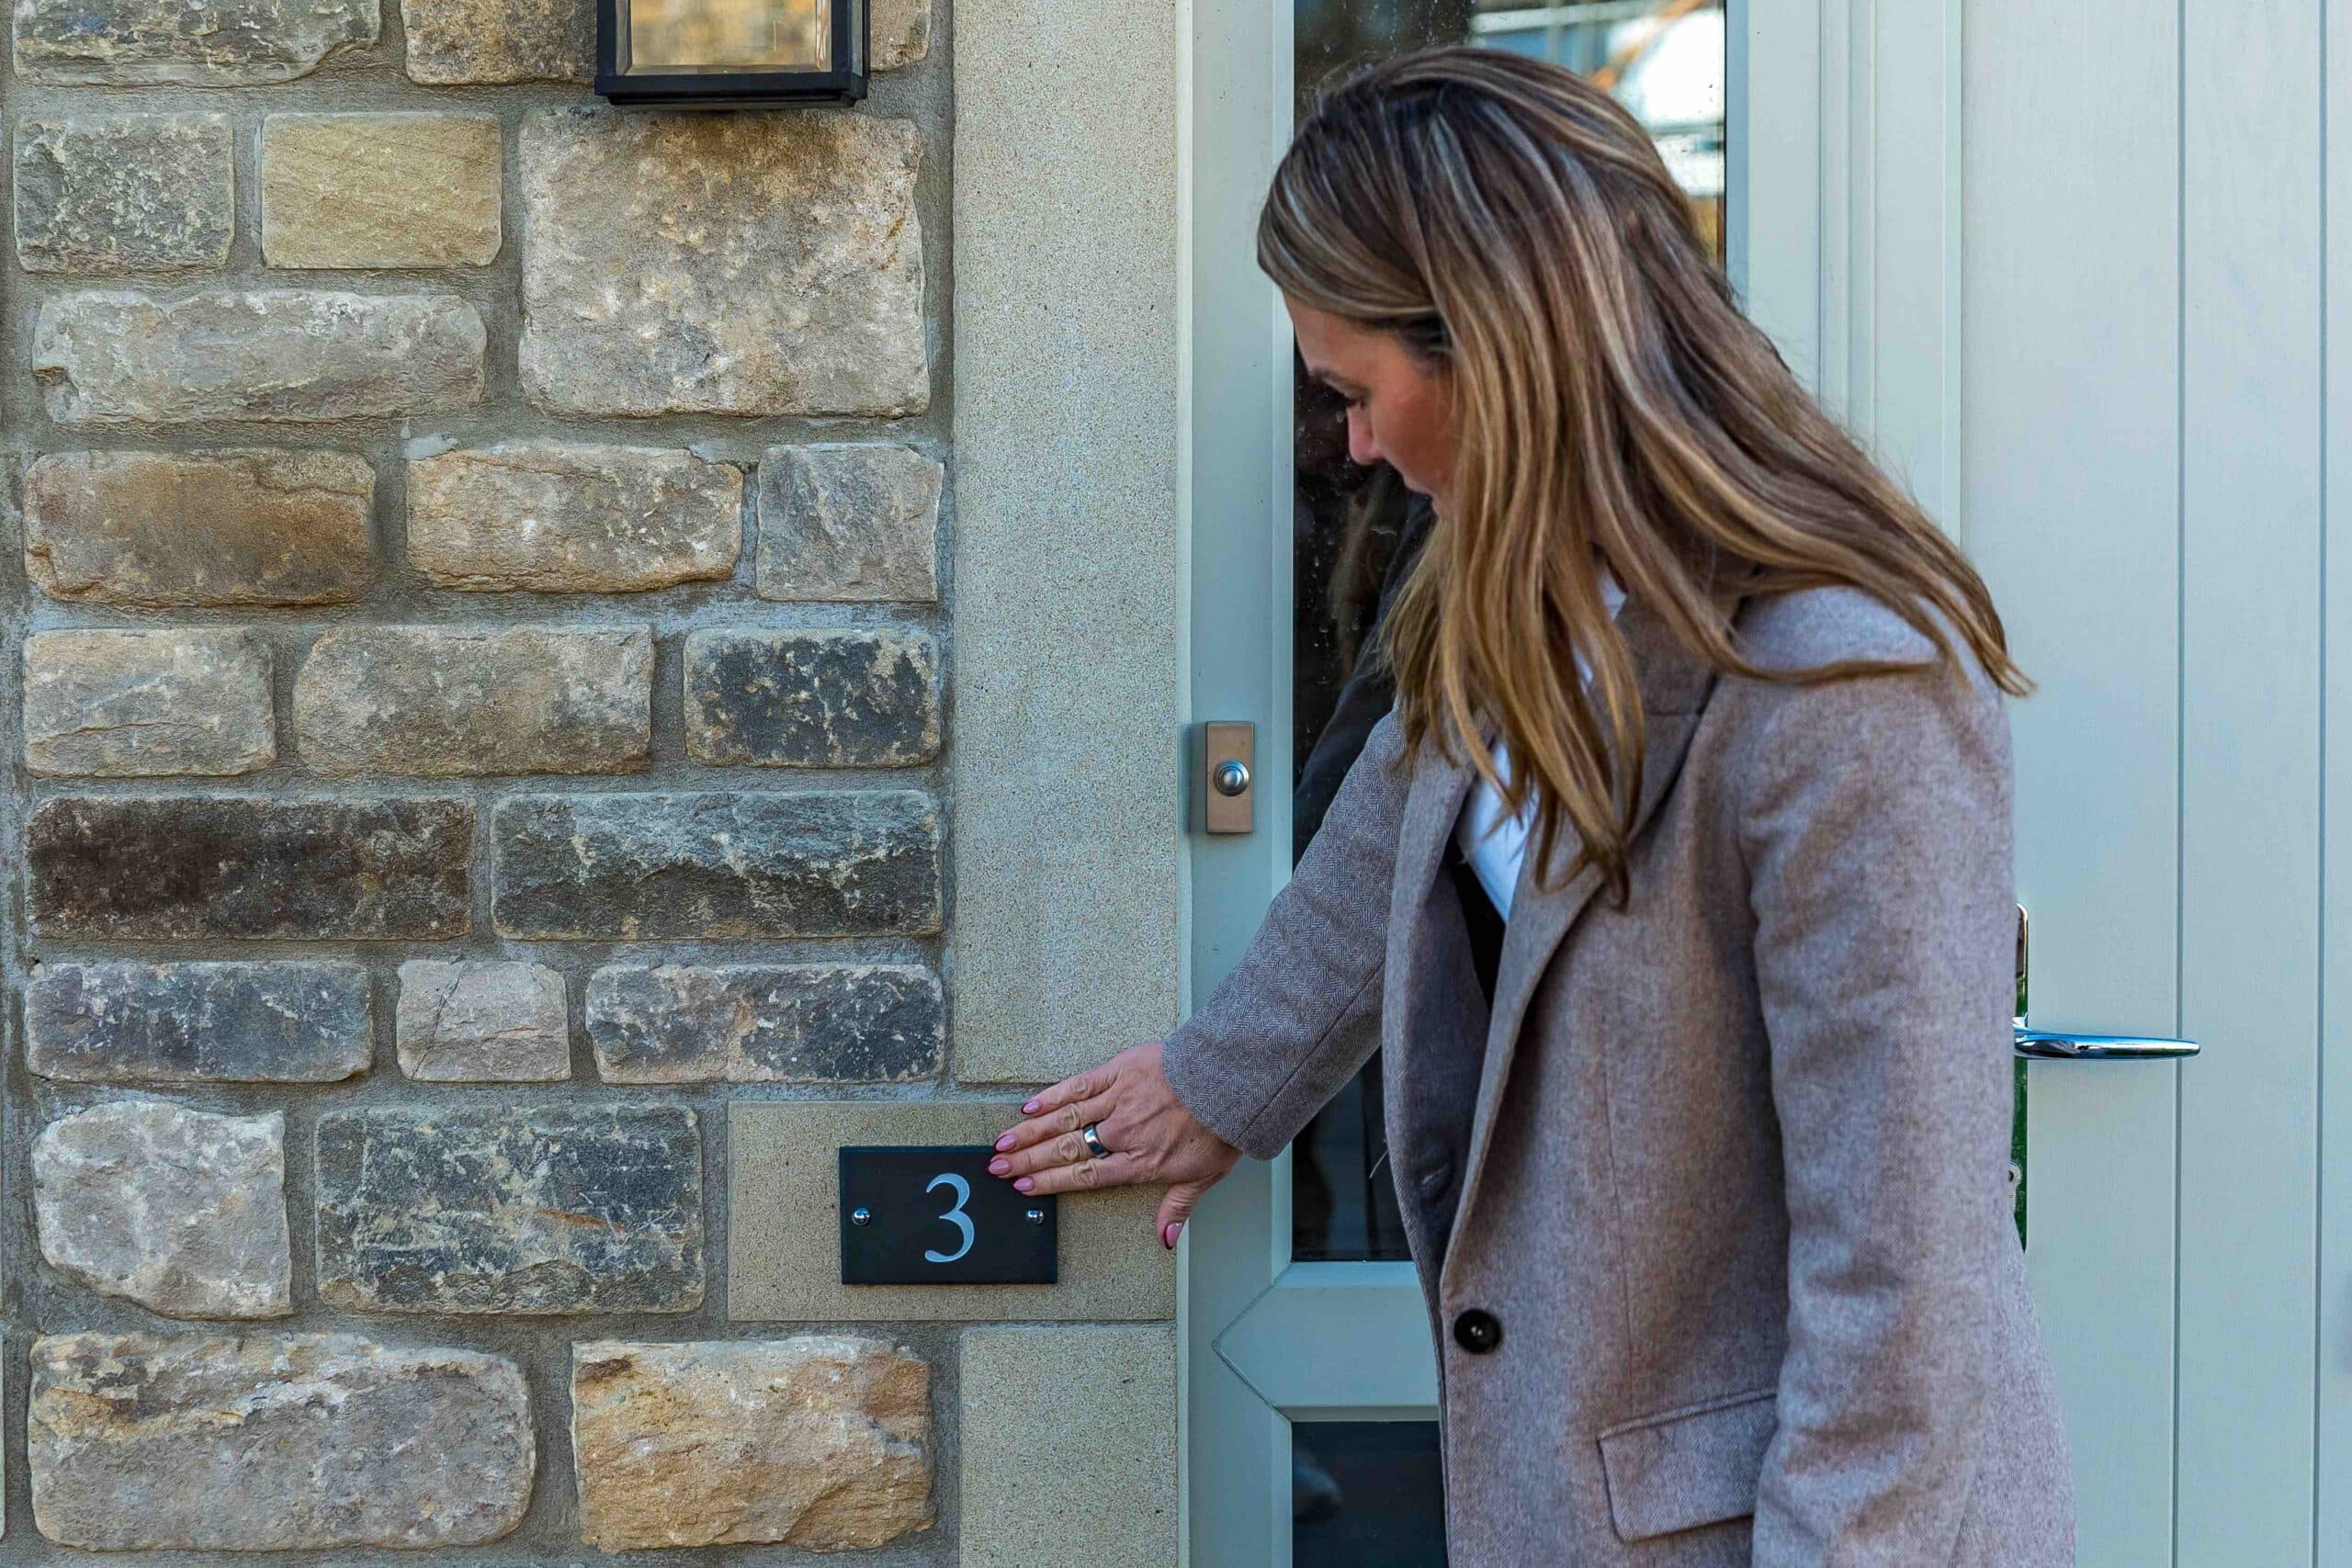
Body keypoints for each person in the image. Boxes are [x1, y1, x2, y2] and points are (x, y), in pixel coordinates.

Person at [989, 44, 2073, 1565]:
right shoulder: (1518, 603)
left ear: (1498, 352)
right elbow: (1386, 846)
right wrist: (1218, 1085)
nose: (1351, 446)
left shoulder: (1844, 690)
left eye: (1357, 391)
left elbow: (1907, 1279)